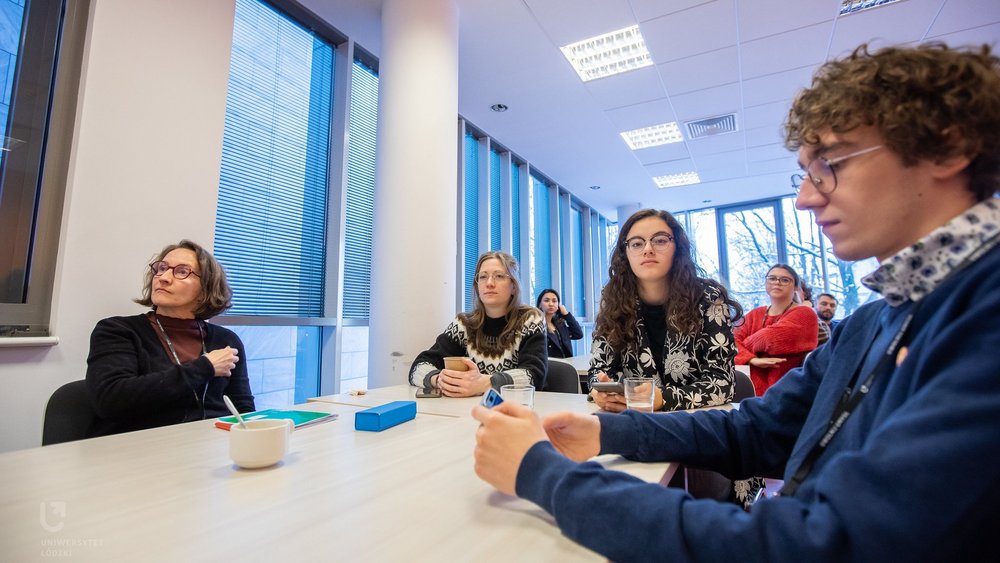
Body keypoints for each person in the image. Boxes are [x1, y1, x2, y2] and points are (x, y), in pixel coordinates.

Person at [471, 42, 1000, 561]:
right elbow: (754, 427)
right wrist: (609, 428)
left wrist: (541, 474)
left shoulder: (982, 316)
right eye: (806, 174)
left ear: (947, 150)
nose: (805, 197)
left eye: (831, 164)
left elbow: (819, 543)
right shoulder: (877, 320)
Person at [87, 240, 255, 436]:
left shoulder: (227, 340)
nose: (163, 277)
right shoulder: (117, 330)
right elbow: (110, 400)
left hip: (208, 449)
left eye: (182, 271)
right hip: (134, 450)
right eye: (161, 268)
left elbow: (242, 409)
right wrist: (204, 367)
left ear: (205, 289)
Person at [588, 208, 743, 412]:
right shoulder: (614, 300)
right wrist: (601, 391)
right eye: (636, 243)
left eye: (660, 240)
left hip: (696, 423)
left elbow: (723, 383)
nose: (648, 249)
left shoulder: (708, 297)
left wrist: (664, 399)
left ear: (677, 248)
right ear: (625, 254)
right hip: (636, 422)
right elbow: (598, 372)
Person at [409, 251, 546, 396]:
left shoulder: (530, 319)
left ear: (513, 286)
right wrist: (439, 379)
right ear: (477, 286)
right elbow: (418, 367)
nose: (489, 283)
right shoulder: (464, 324)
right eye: (483, 277)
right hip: (469, 411)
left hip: (517, 410)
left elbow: (534, 375)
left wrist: (485, 383)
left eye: (499, 276)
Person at [735, 264, 819, 395]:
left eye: (785, 280)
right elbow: (731, 342)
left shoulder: (805, 314)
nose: (777, 283)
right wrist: (752, 359)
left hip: (785, 393)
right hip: (748, 391)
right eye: (772, 278)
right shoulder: (755, 314)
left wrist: (743, 347)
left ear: (796, 287)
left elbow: (767, 340)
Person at [536, 289, 583, 359]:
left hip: (566, 364)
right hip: (550, 366)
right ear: (540, 305)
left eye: (554, 301)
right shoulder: (536, 325)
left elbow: (578, 334)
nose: (551, 304)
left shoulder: (560, 324)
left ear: (558, 305)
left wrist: (566, 314)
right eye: (546, 300)